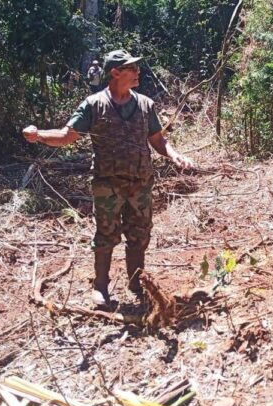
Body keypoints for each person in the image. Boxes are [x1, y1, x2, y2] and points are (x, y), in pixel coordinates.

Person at [23, 49, 194, 305]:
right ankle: (101, 286)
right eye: (132, 69)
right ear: (115, 73)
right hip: (107, 184)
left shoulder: (146, 105)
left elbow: (157, 140)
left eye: (137, 68)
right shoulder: (93, 105)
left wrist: (174, 155)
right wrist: (38, 135)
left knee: (140, 234)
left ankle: (137, 282)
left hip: (140, 183)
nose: (138, 73)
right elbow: (67, 136)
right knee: (105, 236)